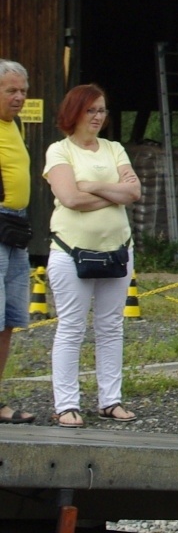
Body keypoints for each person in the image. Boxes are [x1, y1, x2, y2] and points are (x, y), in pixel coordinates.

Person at [43, 84, 141, 427]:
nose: (98, 117)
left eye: (102, 110)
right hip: (71, 252)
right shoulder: (60, 151)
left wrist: (92, 187)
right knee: (71, 327)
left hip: (118, 250)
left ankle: (110, 400)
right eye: (91, 110)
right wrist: (115, 193)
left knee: (111, 327)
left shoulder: (114, 149)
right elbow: (70, 198)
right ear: (75, 113)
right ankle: (66, 403)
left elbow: (135, 190)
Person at [0, 60, 34, 424]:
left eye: (23, 90)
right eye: (11, 90)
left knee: (8, 318)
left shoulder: (15, 125)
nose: (19, 97)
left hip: (15, 227)